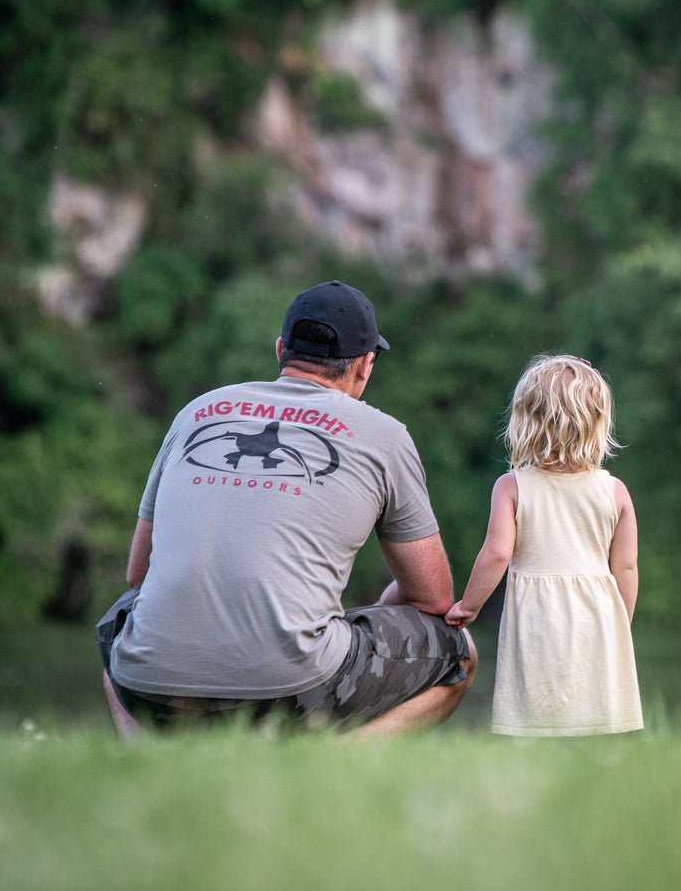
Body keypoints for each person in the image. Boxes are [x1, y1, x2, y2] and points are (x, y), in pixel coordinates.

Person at [97, 280, 476, 737]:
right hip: (295, 691)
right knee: (458, 652)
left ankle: (144, 757)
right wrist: (374, 613)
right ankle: (326, 768)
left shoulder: (196, 411)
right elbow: (433, 599)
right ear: (364, 365)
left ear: (281, 349)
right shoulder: (385, 435)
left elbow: (139, 573)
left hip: (150, 688)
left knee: (119, 626)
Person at [446, 354, 642, 737]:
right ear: (598, 424)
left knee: (535, 718)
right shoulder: (615, 491)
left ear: (526, 421)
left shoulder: (512, 486)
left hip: (538, 615)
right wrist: (622, 624)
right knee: (596, 721)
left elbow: (497, 553)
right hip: (599, 615)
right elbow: (627, 567)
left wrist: (468, 606)